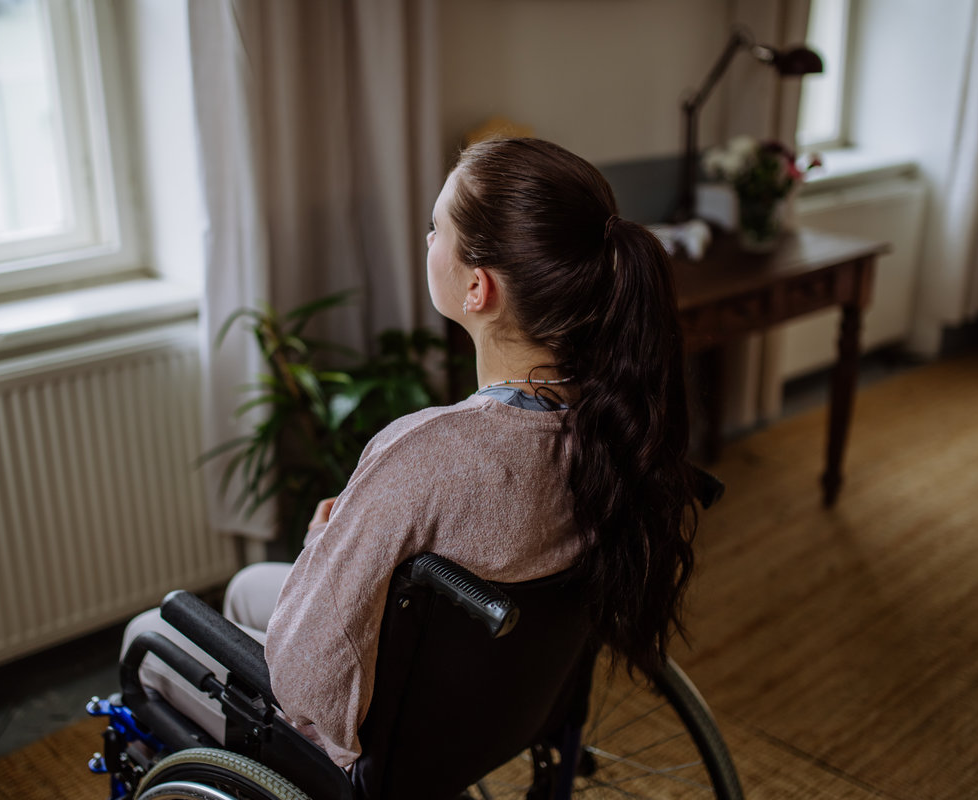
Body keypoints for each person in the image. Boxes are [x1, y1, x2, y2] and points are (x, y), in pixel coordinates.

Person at [121, 136, 697, 770]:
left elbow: (305, 680)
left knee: (147, 633)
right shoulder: (615, 425)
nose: (427, 242)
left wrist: (324, 541)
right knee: (250, 589)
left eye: (436, 227)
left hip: (379, 746)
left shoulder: (427, 454)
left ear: (478, 287)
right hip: (496, 713)